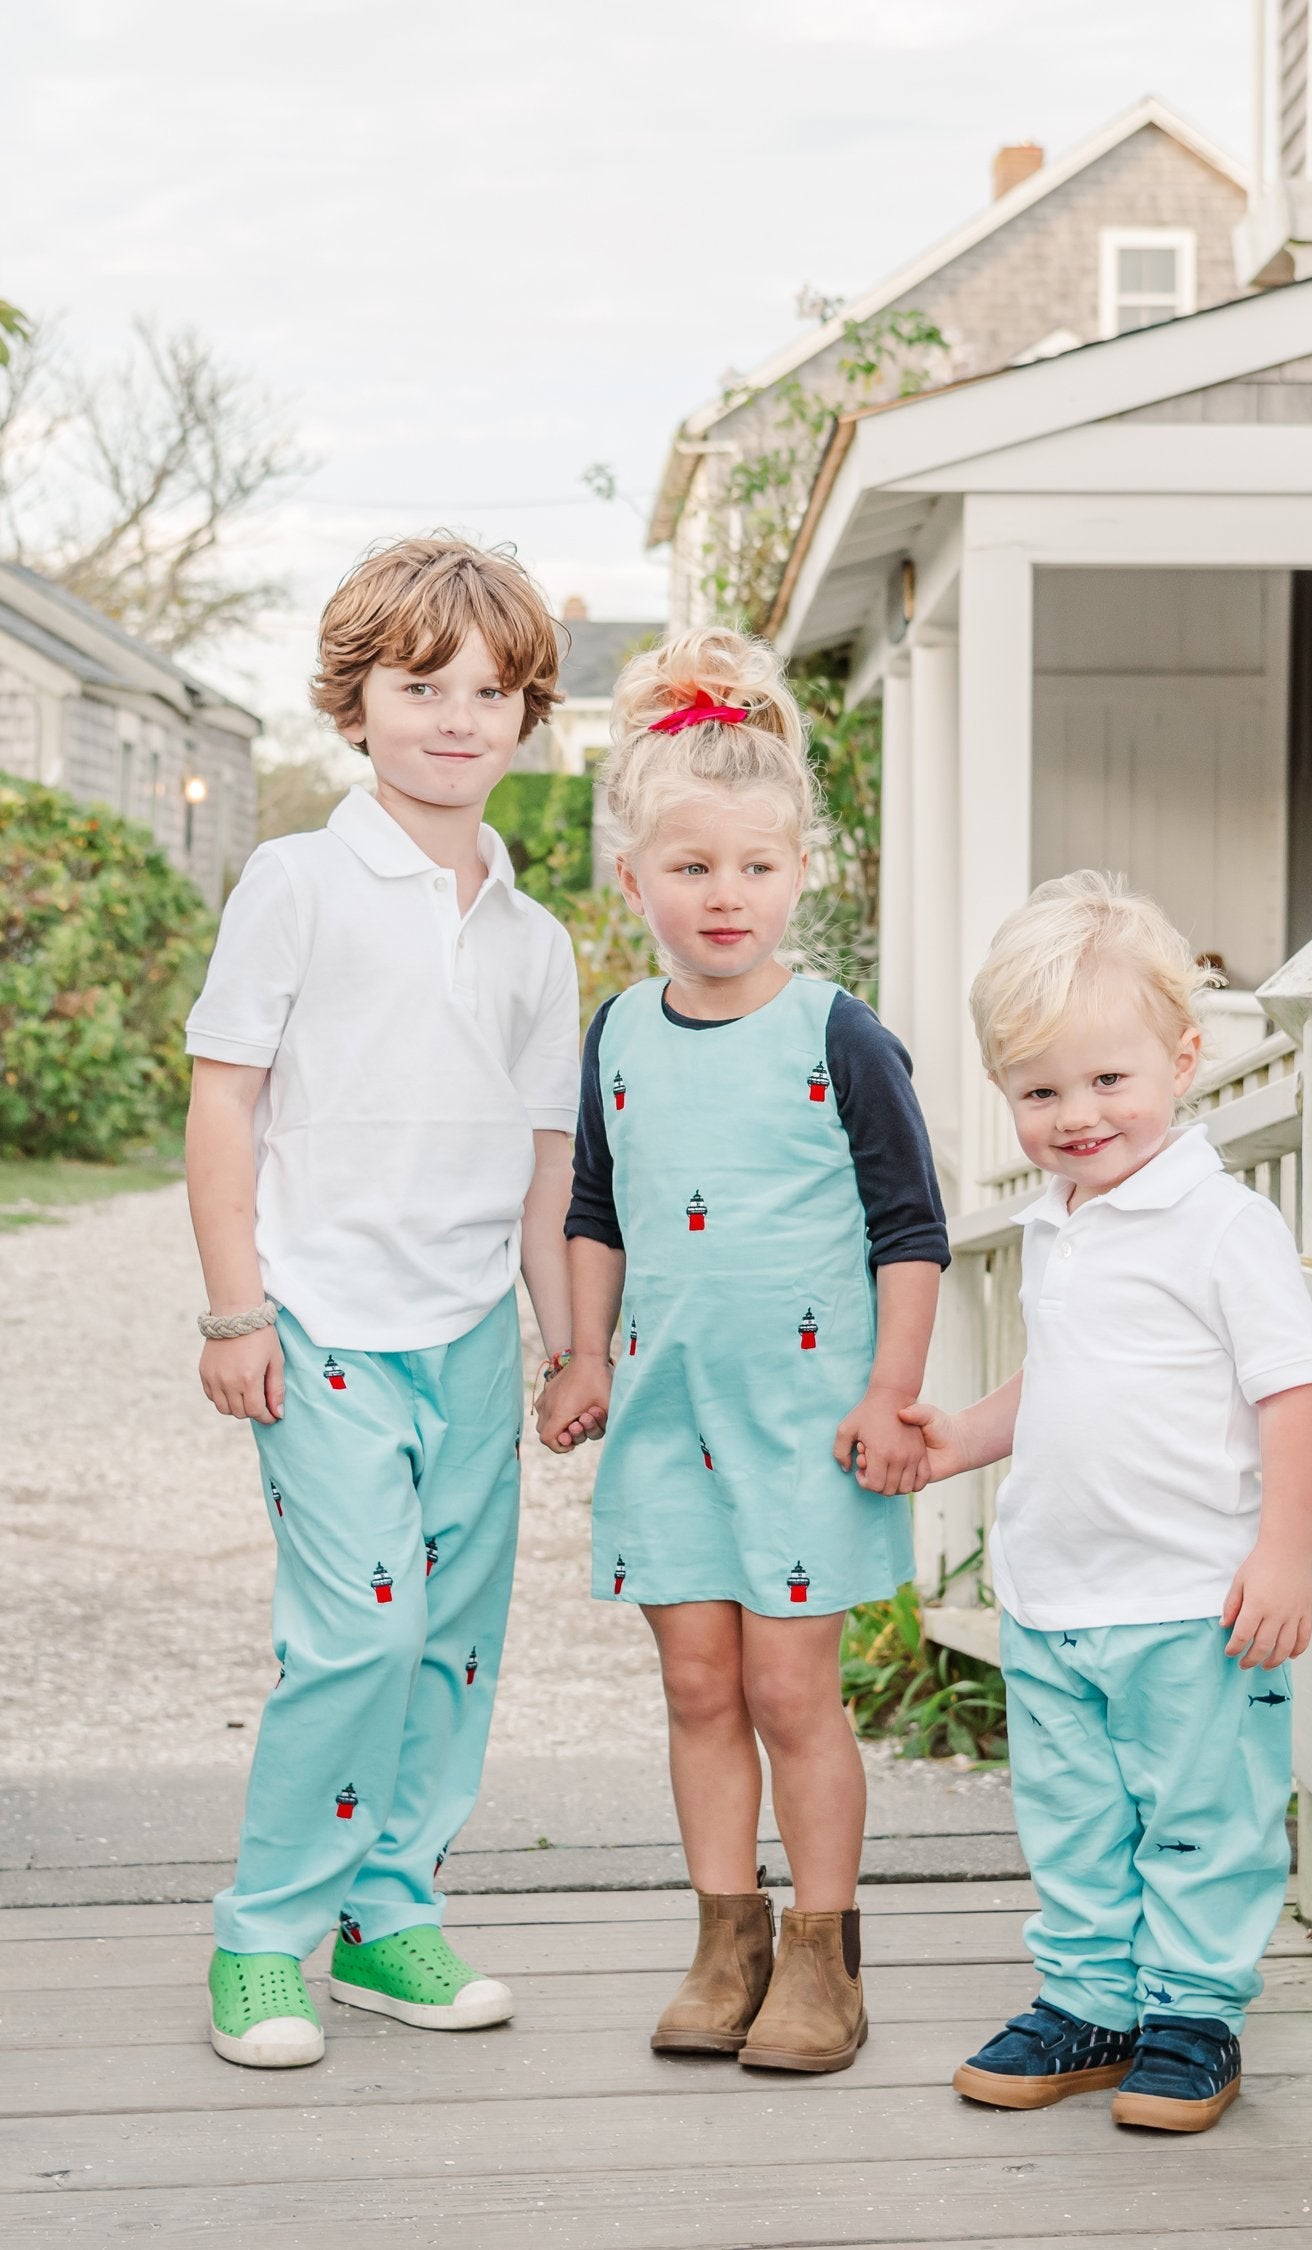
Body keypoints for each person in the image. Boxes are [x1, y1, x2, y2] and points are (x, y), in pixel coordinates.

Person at [184, 536, 579, 2069]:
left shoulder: (536, 940)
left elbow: (547, 1163)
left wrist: (569, 1344)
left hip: (472, 1335)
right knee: (359, 1629)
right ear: (357, 705)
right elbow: (225, 1105)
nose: (457, 718)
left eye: (491, 691)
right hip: (326, 1322)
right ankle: (263, 1932)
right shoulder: (296, 880)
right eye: (422, 687)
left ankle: (387, 1908)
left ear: (528, 714)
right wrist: (237, 1311)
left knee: (455, 1642)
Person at [538, 626, 948, 2073]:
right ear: (636, 876)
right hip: (666, 1416)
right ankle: (729, 1936)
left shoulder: (841, 1035)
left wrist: (891, 1390)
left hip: (806, 1421)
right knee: (698, 1687)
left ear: (801, 871)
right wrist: (580, 1353)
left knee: (791, 1691)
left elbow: (912, 1228)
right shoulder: (617, 1035)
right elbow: (596, 1207)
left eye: (756, 868)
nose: (726, 896)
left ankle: (826, 1952)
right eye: (693, 867)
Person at [904, 872, 1312, 2134]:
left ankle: (1194, 2013)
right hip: (1058, 1592)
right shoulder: (1061, 1224)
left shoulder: (1222, 1225)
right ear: (1005, 1094)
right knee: (1077, 1818)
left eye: (1108, 1082)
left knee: (1204, 1817)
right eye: (1041, 1091)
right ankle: (1090, 2001)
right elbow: (1064, 1380)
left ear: (1183, 1061)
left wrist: (1285, 1555)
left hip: (1194, 1599)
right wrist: (961, 1437)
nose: (1077, 1117)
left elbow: (1291, 1395)